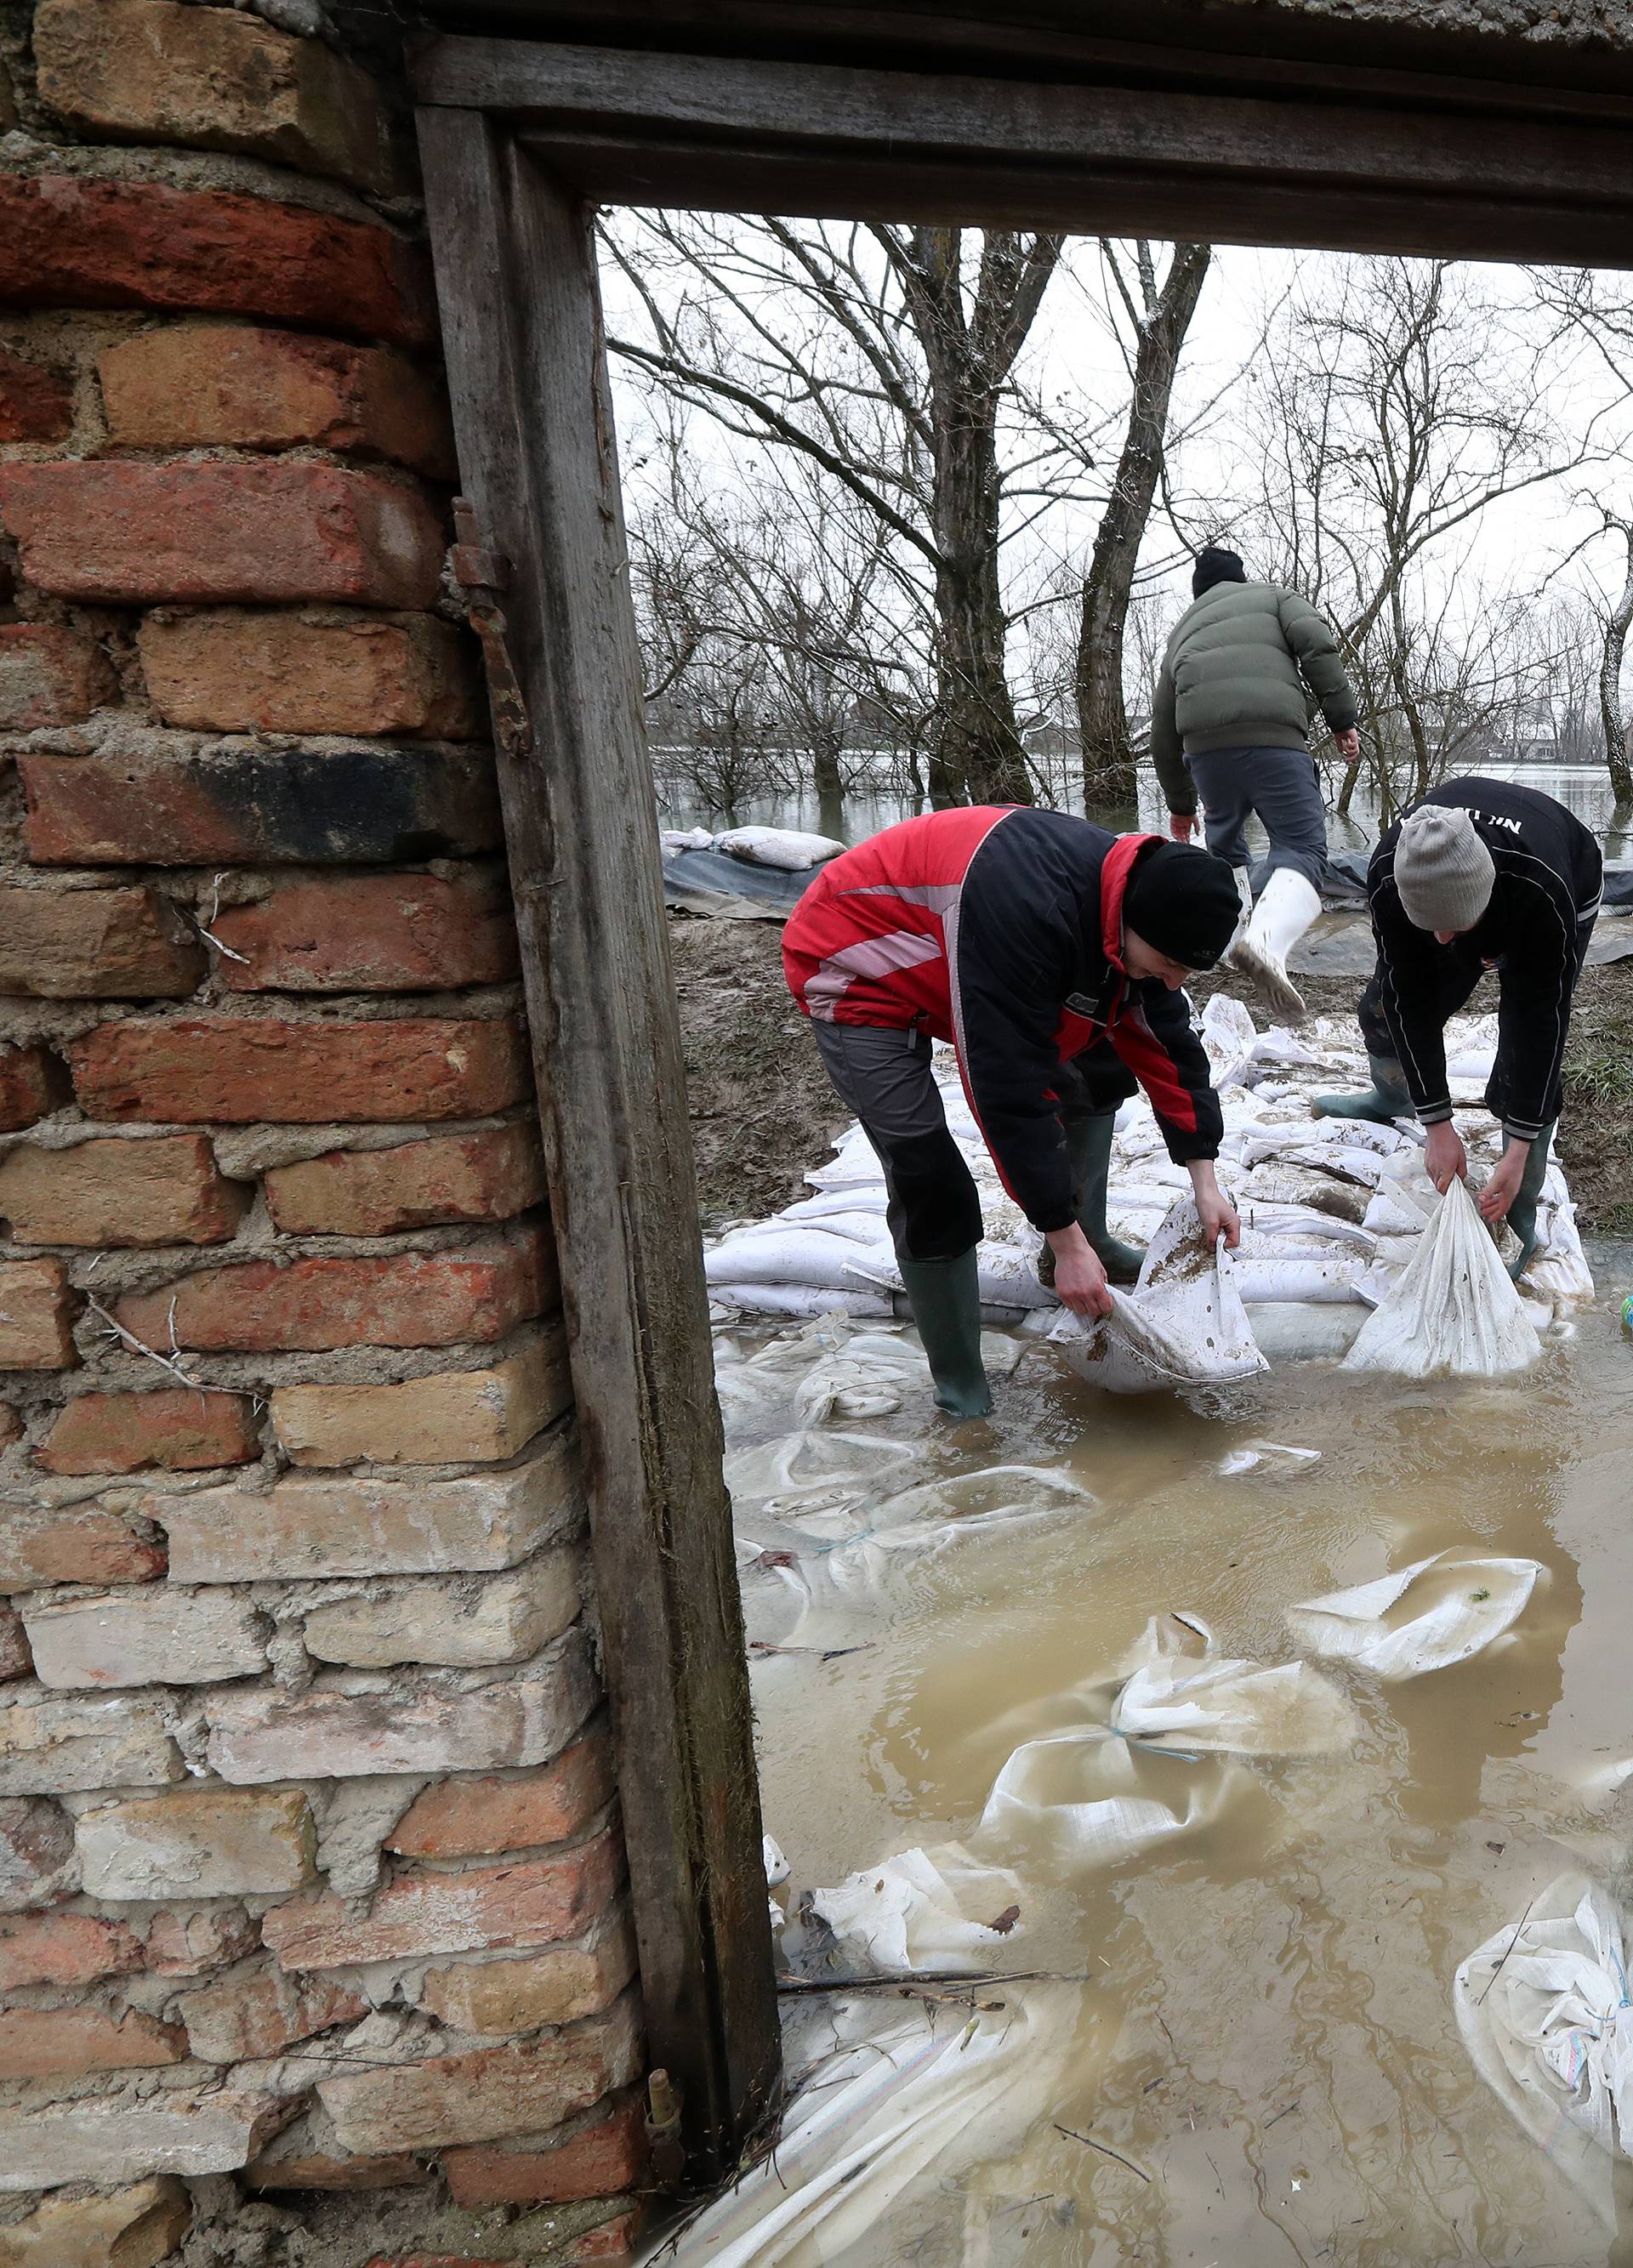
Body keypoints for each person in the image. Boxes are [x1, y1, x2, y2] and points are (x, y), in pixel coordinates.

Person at [781, 806, 1244, 1417]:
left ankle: (1087, 1245)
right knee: (926, 1166)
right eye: (1173, 961)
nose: (1177, 978)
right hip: (860, 962)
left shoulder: (1139, 900)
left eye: (1189, 967)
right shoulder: (1025, 909)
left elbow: (1171, 1048)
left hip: (959, 953)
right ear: (1131, 919)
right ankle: (962, 1389)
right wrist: (1059, 1225)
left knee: (1098, 1069)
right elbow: (1007, 1087)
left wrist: (1205, 1180)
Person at [1315, 777, 1602, 1278]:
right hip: (1456, 898)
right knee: (1385, 1008)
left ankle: (1522, 1192)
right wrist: (1437, 1123)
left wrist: (1513, 1150)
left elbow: (1541, 1021)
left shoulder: (1540, 891)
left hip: (1565, 876)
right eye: (1431, 928)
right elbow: (1410, 999)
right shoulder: (1388, 877)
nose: (1443, 939)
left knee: (1525, 1042)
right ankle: (1393, 1097)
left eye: (1454, 927)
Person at [1151, 544, 1361, 1020]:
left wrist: (1180, 804)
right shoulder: (1274, 598)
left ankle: (1226, 941)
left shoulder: (1183, 629)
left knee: (1225, 850)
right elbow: (1316, 642)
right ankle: (1264, 943)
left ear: (1198, 592)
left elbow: (1163, 722)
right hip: (1273, 739)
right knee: (1304, 848)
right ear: (1240, 579)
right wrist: (1341, 719)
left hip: (1204, 750)